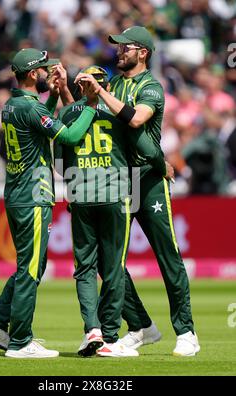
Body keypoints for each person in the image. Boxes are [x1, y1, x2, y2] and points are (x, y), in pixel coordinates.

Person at [75, 26, 200, 357]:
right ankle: (141, 325)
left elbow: (136, 120)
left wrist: (101, 93)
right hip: (117, 180)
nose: (119, 52)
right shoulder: (114, 84)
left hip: (148, 180)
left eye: (125, 47)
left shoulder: (152, 86)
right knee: (108, 260)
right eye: (117, 47)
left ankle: (187, 331)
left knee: (167, 255)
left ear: (142, 52)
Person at [0, 48, 98, 358]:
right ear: (32, 74)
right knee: (30, 269)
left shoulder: (12, 105)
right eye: (43, 69)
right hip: (33, 196)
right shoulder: (31, 109)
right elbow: (68, 137)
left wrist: (55, 95)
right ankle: (19, 341)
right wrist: (91, 107)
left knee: (30, 265)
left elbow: (40, 127)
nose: (47, 72)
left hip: (16, 194)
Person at [58, 65, 170, 358]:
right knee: (113, 268)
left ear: (82, 86)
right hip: (117, 194)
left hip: (80, 195)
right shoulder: (118, 113)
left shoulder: (67, 114)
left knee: (84, 268)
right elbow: (147, 147)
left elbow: (59, 164)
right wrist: (164, 166)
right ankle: (109, 336)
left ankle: (91, 330)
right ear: (106, 86)